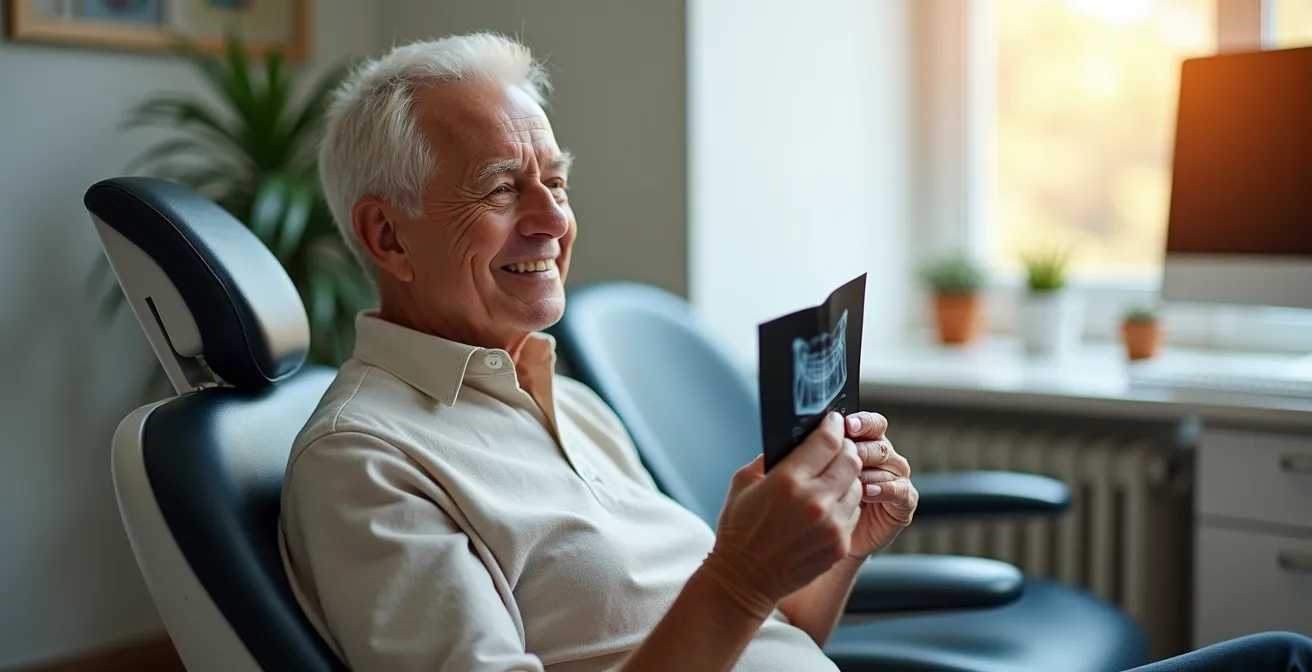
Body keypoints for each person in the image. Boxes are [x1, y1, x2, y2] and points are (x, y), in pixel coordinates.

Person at [278, 33, 1312, 672]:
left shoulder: (562, 395)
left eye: (557, 178)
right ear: (385, 235)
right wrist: (733, 576)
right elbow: (725, 615)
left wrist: (834, 553)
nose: (553, 217)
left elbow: (771, 647)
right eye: (504, 188)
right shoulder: (367, 462)